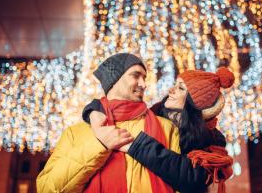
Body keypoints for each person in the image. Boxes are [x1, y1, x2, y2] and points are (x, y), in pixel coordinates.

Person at [36, 53, 182, 193]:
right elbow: (47, 189)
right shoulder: (75, 133)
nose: (143, 84)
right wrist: (99, 145)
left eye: (144, 78)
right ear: (115, 80)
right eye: (136, 75)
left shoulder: (166, 127)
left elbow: (181, 183)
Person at [85, 67, 235, 193]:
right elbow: (118, 108)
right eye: (175, 84)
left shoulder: (212, 139)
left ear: (194, 103)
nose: (171, 90)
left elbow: (193, 178)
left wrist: (136, 146)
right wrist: (94, 111)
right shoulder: (154, 114)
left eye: (181, 88)